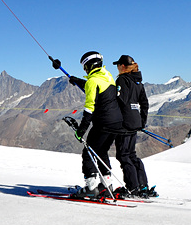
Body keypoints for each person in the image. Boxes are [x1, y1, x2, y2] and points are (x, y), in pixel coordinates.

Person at [58, 51, 124, 198]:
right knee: (100, 152)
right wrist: (76, 81)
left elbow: (89, 109)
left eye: (84, 67)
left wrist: (81, 130)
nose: (85, 70)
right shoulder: (107, 75)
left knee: (88, 152)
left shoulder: (93, 81)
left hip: (103, 122)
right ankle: (107, 186)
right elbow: (94, 85)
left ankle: (91, 188)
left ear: (89, 65)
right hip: (117, 122)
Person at [111, 55, 155, 197]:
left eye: (118, 65)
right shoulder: (138, 82)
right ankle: (143, 185)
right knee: (132, 154)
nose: (117, 67)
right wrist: (142, 121)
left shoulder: (122, 80)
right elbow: (145, 103)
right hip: (135, 123)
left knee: (124, 155)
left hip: (124, 123)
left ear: (123, 66)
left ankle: (132, 187)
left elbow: (120, 101)